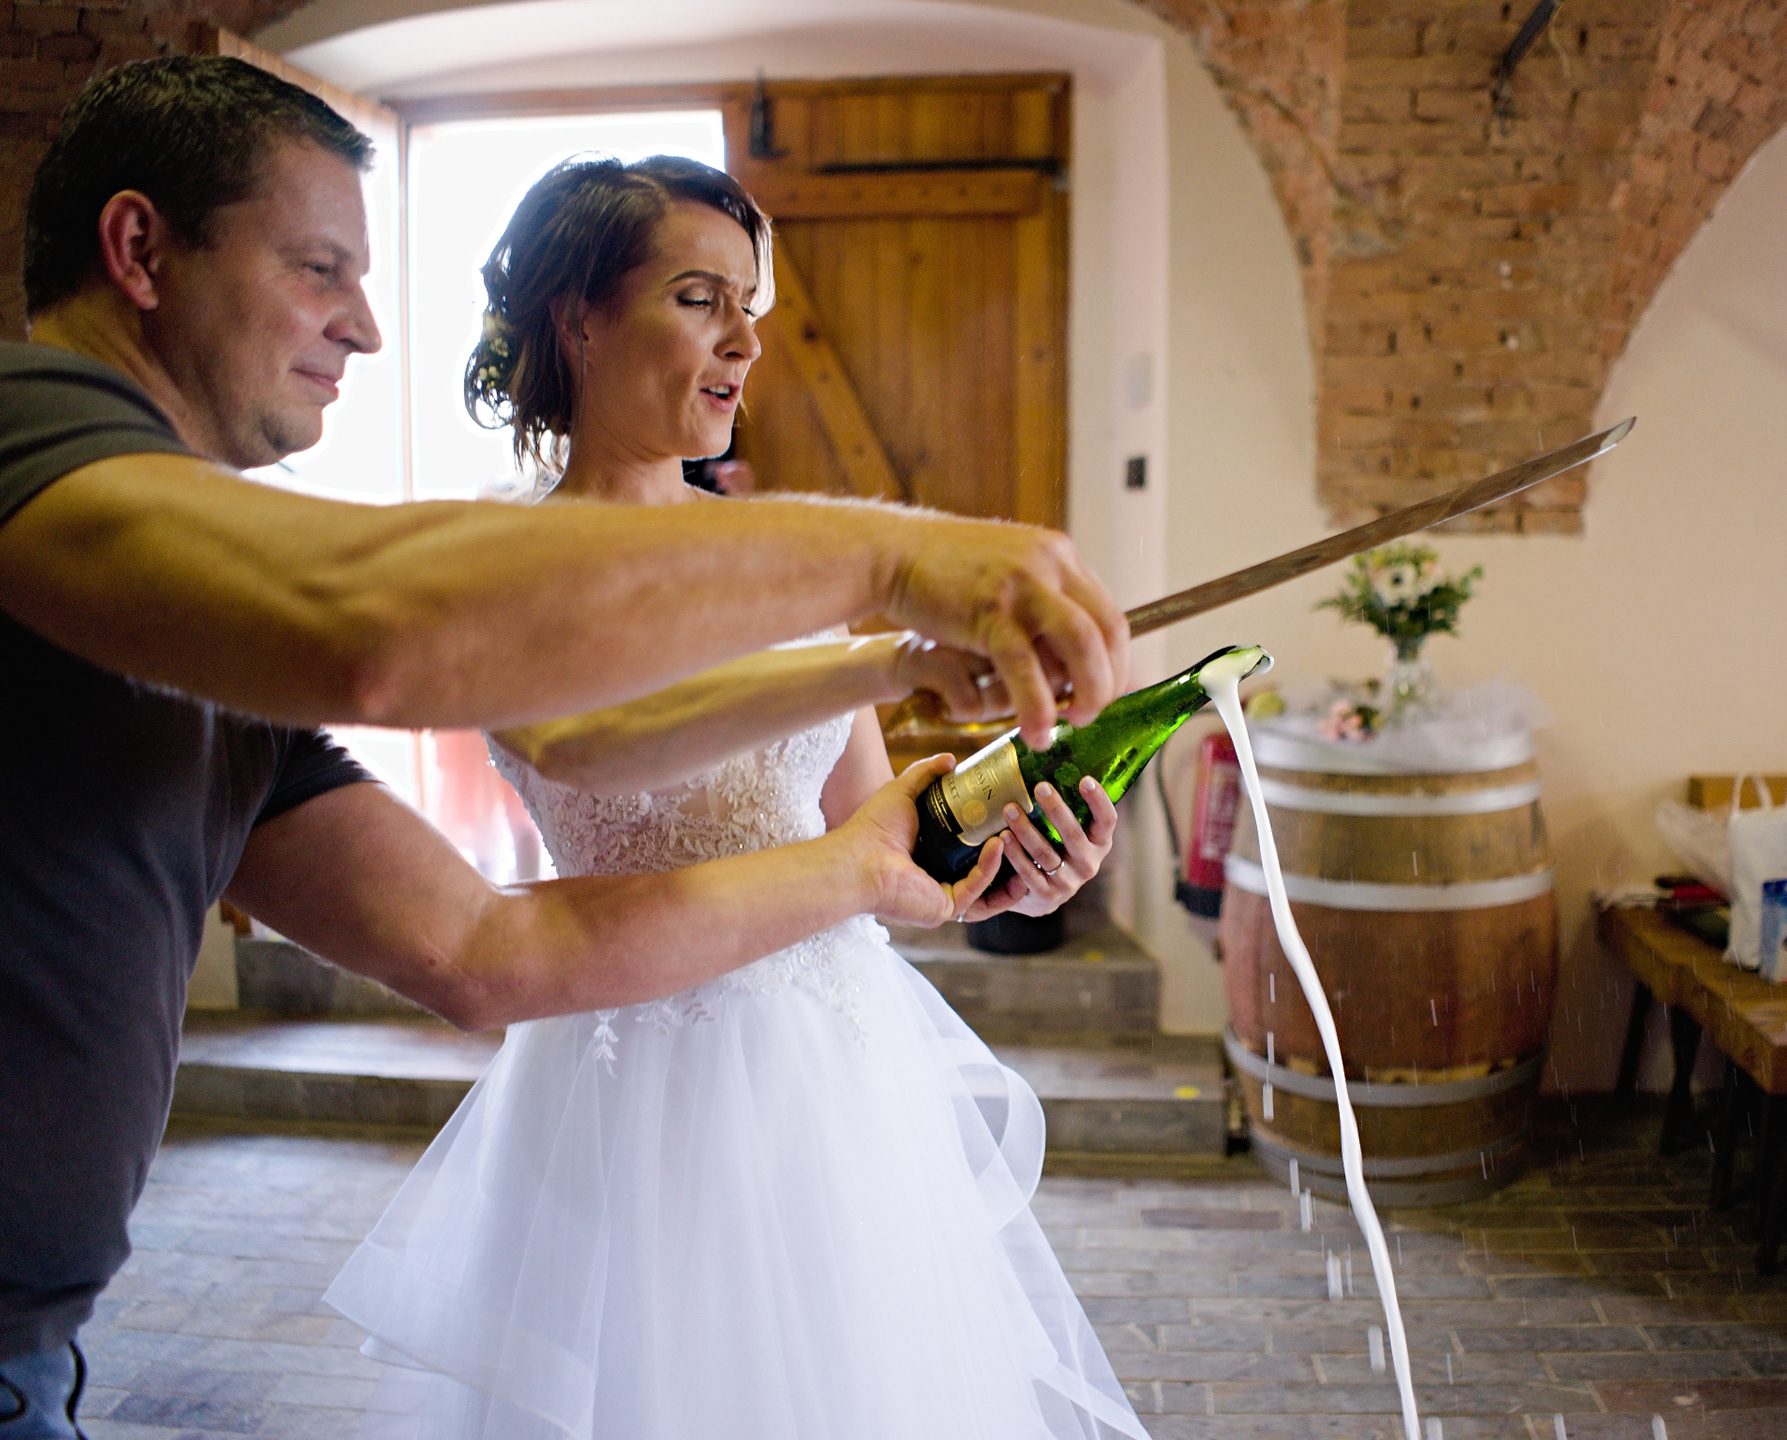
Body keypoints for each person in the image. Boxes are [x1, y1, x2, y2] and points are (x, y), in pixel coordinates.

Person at [0, 57, 1130, 1438]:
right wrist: (894, 570)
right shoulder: (24, 438)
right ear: (138, 250)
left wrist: (941, 855)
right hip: (630, 1105)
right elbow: (445, 661)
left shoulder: (214, 665)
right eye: (318, 268)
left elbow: (480, 951)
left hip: (36, 1347)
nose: (365, 326)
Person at [322, 156, 1149, 1440]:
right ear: (580, 319)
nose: (748, 342)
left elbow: (866, 838)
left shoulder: (777, 563)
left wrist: (997, 862)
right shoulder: (505, 566)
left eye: (750, 306)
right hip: (639, 1095)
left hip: (839, 1082)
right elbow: (595, 740)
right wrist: (891, 655)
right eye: (700, 299)